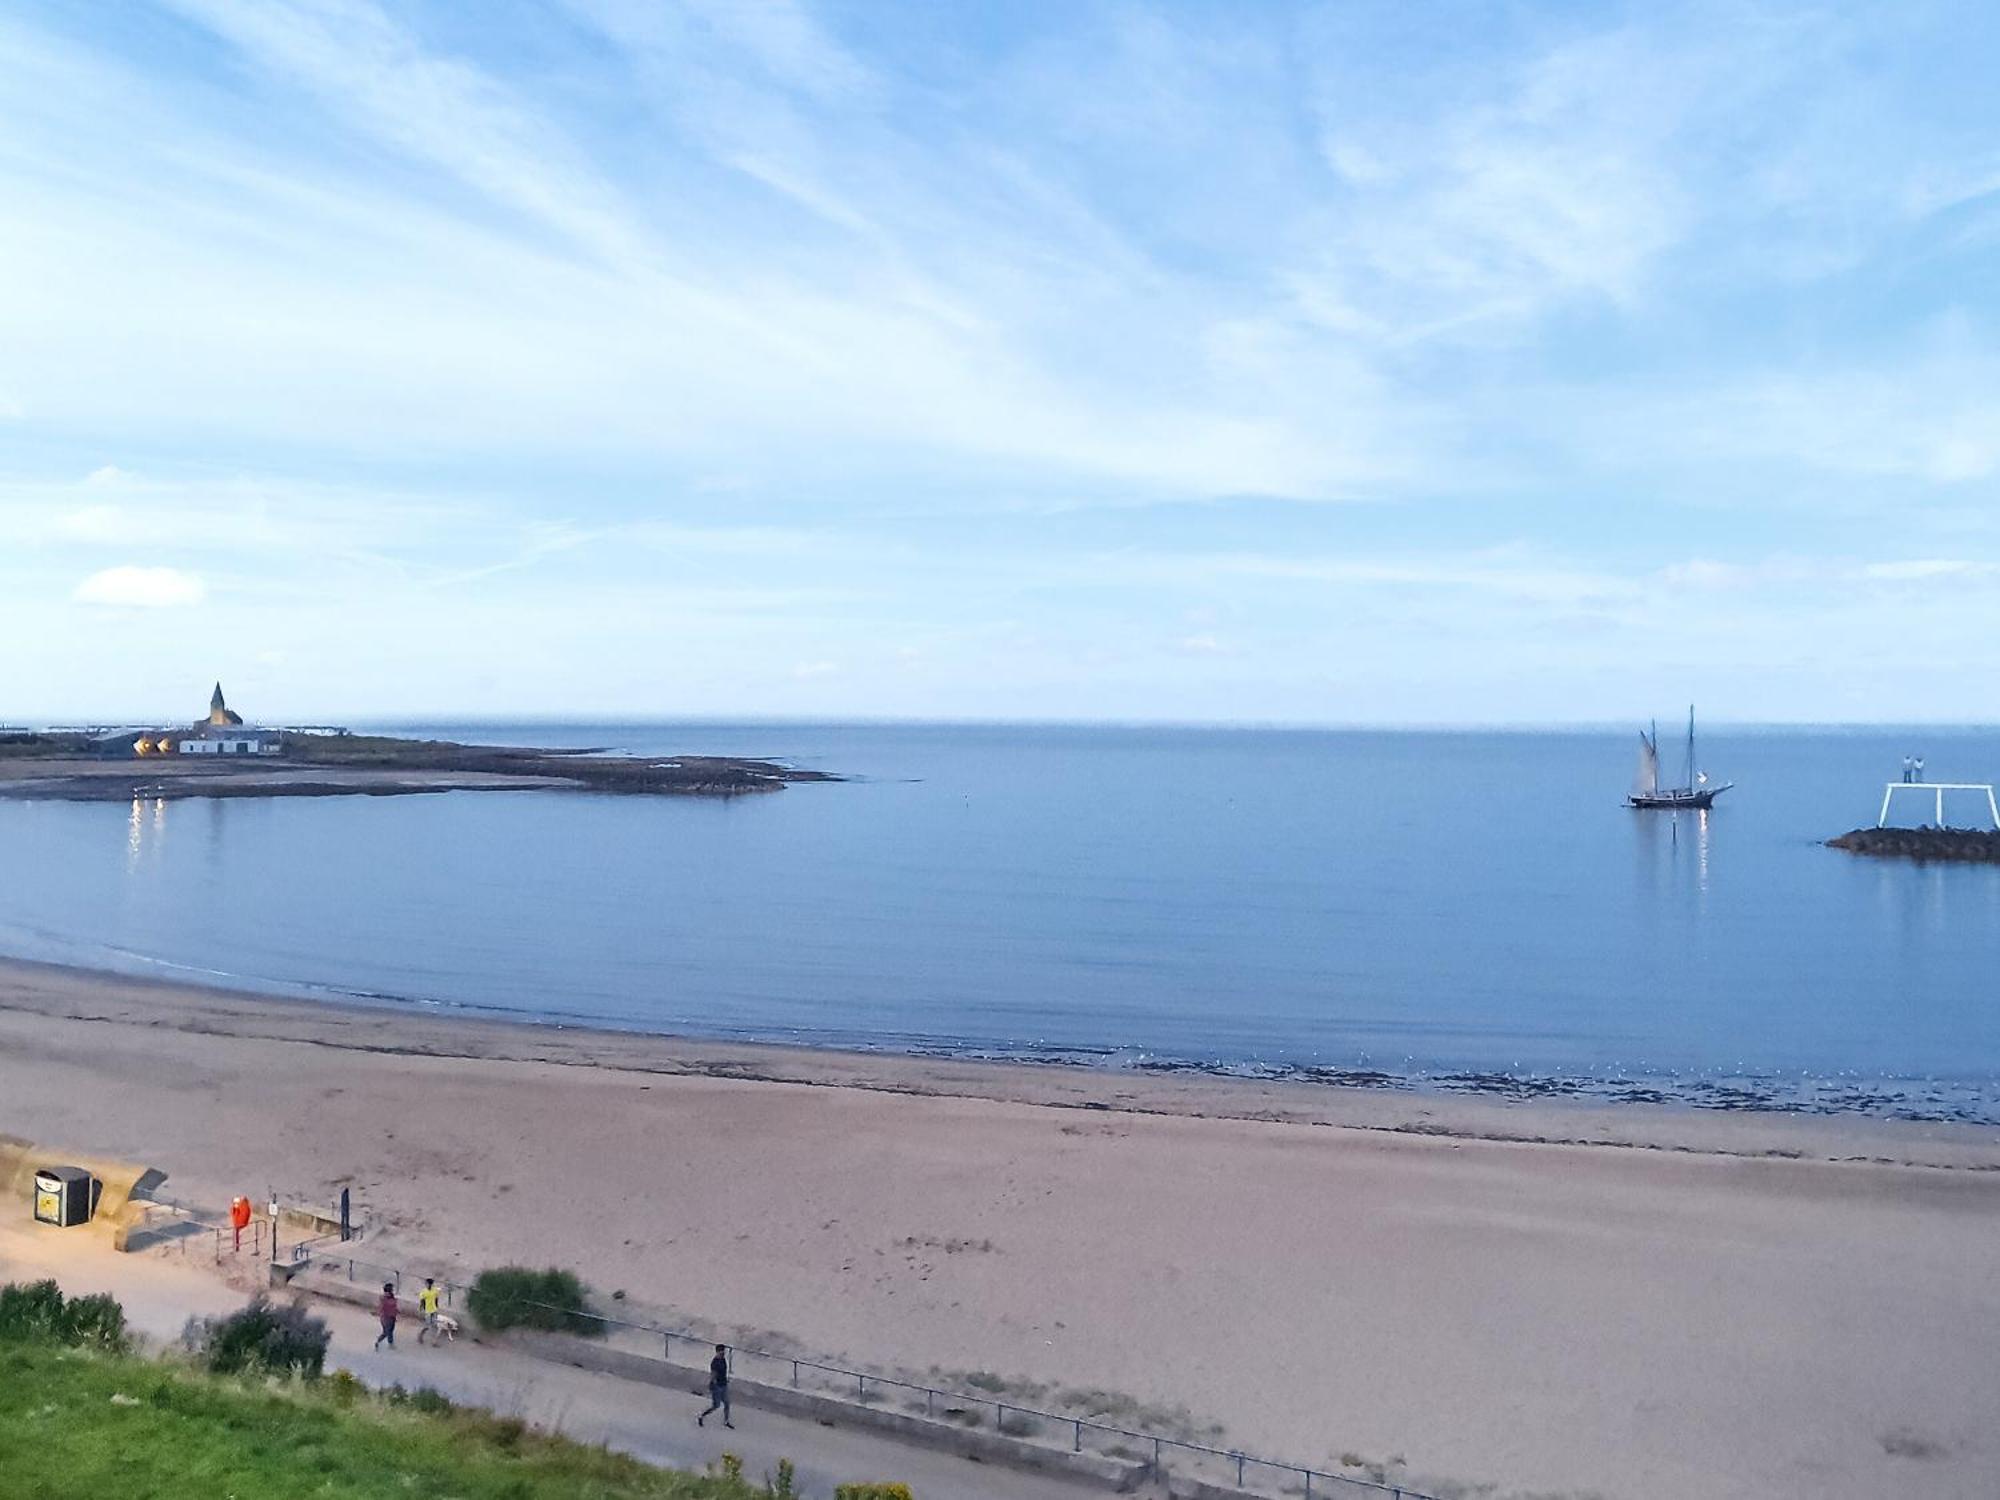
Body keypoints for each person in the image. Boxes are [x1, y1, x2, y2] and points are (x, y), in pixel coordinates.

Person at [697, 1343, 733, 1428]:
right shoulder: (714, 1363)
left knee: (727, 1403)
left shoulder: (723, 1359)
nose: (723, 1354)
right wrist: (712, 1385)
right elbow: (713, 1375)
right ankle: (701, 1415)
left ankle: (726, 1421)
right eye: (721, 1352)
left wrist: (726, 1379)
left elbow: (724, 1371)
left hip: (723, 1385)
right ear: (717, 1352)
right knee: (716, 1406)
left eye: (723, 1352)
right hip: (717, 1387)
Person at [416, 1278, 442, 1345]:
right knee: (427, 1326)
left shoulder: (435, 1290)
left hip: (434, 1310)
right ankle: (420, 1336)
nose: (427, 1285)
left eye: (427, 1284)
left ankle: (434, 1341)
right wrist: (420, 1309)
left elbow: (436, 1299)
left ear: (430, 1284)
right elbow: (422, 1302)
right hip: (428, 1311)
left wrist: (436, 1307)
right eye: (426, 1284)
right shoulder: (423, 1292)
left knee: (434, 1325)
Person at [374, 1283, 399, 1350]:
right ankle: (389, 1344)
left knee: (387, 1332)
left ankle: (379, 1341)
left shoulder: (387, 1297)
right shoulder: (386, 1299)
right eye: (391, 1289)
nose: (392, 1290)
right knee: (388, 1332)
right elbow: (384, 1308)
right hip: (388, 1318)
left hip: (389, 1317)